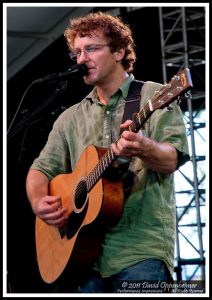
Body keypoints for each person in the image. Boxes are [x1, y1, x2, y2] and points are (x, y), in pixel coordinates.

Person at [26, 11, 190, 293]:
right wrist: (39, 200)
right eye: (77, 52)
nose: (81, 59)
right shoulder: (70, 118)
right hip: (83, 258)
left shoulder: (155, 95)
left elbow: (171, 158)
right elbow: (40, 169)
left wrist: (144, 147)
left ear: (119, 51)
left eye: (91, 49)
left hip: (140, 249)